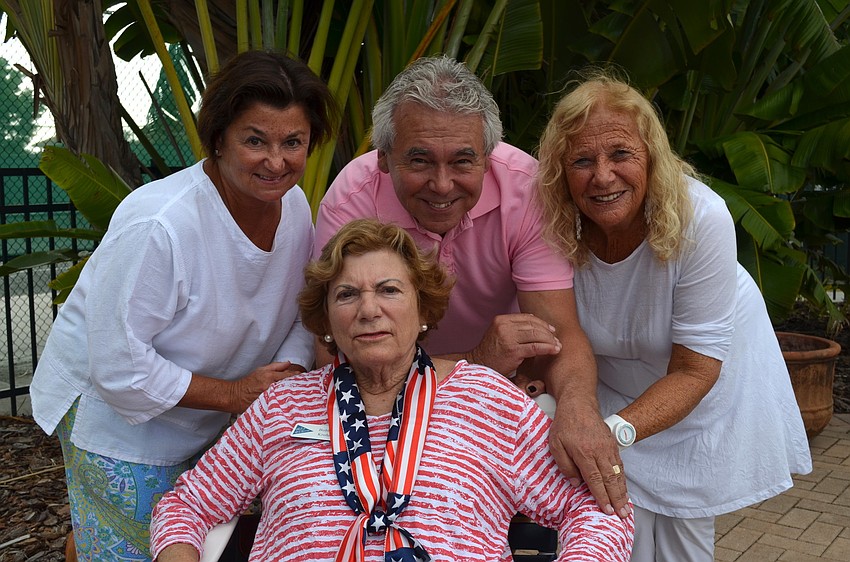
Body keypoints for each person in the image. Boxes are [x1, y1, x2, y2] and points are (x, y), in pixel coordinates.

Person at [149, 218, 634, 561]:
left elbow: (596, 508)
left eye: (389, 290)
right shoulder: (283, 404)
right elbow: (187, 505)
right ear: (327, 324)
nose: (368, 309)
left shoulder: (486, 401)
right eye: (346, 295)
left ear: (424, 311)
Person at [28, 50, 338, 561]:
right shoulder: (160, 224)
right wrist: (238, 393)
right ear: (218, 139)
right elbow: (120, 368)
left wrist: (284, 377)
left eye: (293, 142)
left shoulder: (296, 206)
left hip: (218, 415)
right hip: (120, 426)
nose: (276, 161)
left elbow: (301, 308)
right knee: (136, 550)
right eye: (255, 140)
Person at [314, 55, 629, 517]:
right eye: (419, 160)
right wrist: (476, 369)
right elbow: (335, 356)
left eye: (463, 161)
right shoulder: (350, 201)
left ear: (489, 154)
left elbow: (558, 331)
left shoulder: (528, 190)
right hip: (377, 387)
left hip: (499, 382)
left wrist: (579, 411)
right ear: (383, 158)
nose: (442, 185)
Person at [535, 69, 812, 562]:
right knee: (620, 531)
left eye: (620, 154)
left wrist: (612, 430)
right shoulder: (554, 224)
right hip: (616, 386)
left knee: (684, 537)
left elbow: (695, 370)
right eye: (582, 160)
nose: (602, 176)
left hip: (702, 386)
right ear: (560, 171)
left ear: (652, 159)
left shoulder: (700, 218)